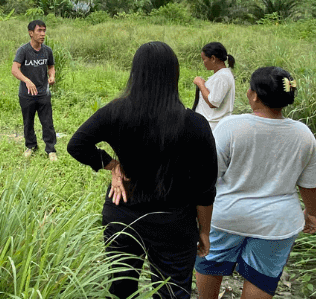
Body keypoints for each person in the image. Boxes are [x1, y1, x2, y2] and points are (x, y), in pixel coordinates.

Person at [67, 41, 218, 299]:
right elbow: (205, 188)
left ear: (135, 73)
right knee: (172, 292)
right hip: (174, 223)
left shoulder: (116, 112)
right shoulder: (195, 124)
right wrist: (204, 231)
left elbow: (77, 144)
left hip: (123, 214)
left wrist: (111, 164)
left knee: (121, 288)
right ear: (174, 75)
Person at [195, 66, 316, 299]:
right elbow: (310, 184)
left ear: (254, 95)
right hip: (277, 224)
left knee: (210, 262)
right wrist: (311, 213)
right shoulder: (303, 134)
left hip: (226, 216)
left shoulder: (231, 127)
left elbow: (208, 178)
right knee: (261, 278)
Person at [11, 19, 57, 160]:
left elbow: (51, 66)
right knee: (28, 121)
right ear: (31, 33)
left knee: (47, 122)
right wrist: (26, 80)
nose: (42, 34)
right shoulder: (23, 50)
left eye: (44, 31)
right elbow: (14, 69)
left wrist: (52, 76)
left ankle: (51, 150)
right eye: (39, 31)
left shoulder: (47, 51)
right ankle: (31, 146)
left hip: (43, 92)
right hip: (27, 94)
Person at [191, 42, 237, 129]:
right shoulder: (221, 75)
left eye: (204, 59)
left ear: (213, 58)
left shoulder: (222, 76)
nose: (203, 63)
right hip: (209, 124)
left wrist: (201, 84)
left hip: (212, 126)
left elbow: (213, 102)